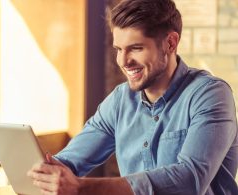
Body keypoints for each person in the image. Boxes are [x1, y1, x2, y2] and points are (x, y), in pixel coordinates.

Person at [27, 0, 238, 194]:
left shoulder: (210, 94)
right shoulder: (120, 100)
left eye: (136, 48)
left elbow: (190, 179)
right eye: (119, 49)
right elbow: (70, 160)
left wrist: (81, 187)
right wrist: (46, 173)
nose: (123, 61)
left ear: (171, 43)